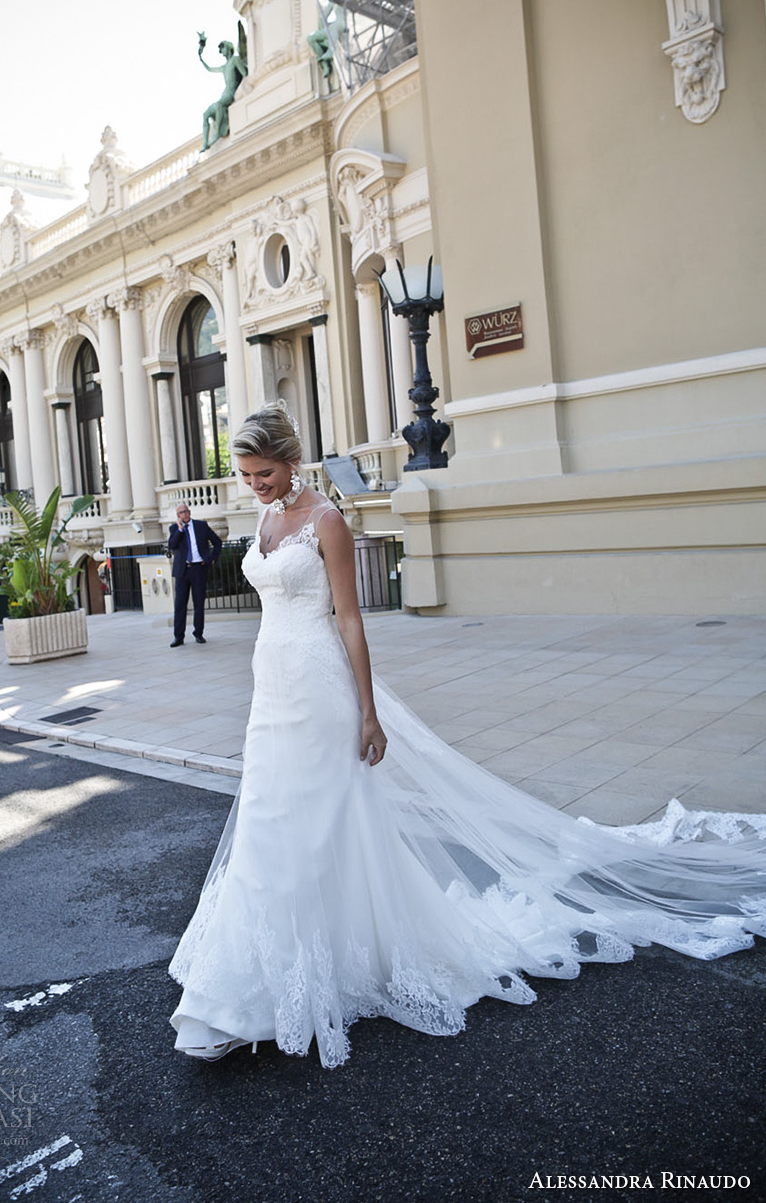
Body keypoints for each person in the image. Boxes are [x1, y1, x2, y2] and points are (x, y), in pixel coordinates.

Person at [169, 405, 766, 1068]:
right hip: (271, 687)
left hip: (319, 689)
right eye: (249, 476)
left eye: (266, 473)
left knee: (311, 822)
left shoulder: (327, 522)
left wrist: (369, 712)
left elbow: (350, 621)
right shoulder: (263, 516)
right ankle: (262, 973)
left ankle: (271, 989)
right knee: (267, 819)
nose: (257, 485)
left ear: (291, 460)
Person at [167, 503, 222, 647]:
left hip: (199, 569)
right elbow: (172, 545)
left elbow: (217, 542)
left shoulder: (201, 526)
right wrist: (179, 530)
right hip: (182, 571)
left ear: (189, 512)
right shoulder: (174, 528)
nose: (184, 514)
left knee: (199, 603)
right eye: (181, 512)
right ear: (178, 515)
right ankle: (178, 637)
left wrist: (211, 559)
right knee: (180, 605)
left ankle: (198, 633)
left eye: (186, 511)